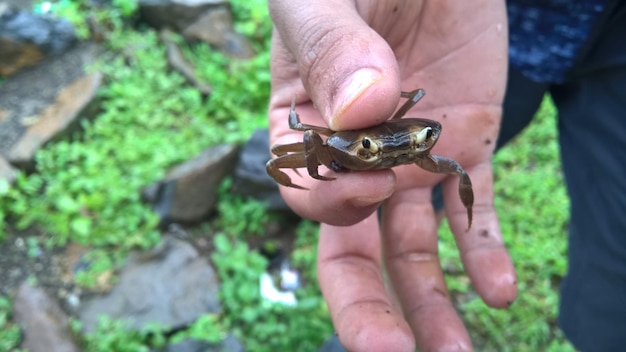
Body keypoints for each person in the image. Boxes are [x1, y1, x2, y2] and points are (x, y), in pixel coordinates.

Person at [266, 1, 626, 351]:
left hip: (608, 41)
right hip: (490, 34)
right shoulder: (330, 144)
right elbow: (295, 137)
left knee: (454, 171)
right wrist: (317, 170)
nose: (396, 150)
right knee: (374, 210)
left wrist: (407, 135)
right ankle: (385, 318)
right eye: (370, 149)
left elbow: (434, 135)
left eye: (421, 140)